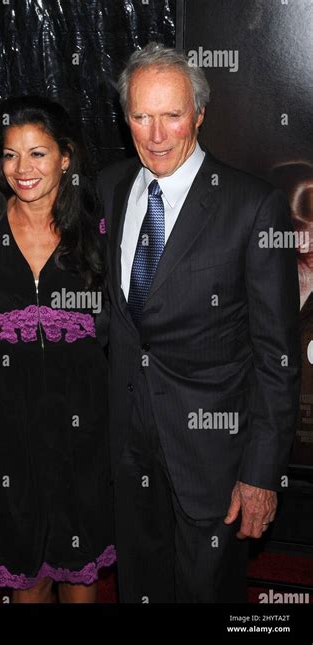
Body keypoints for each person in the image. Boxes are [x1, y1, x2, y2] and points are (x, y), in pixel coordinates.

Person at [97, 43, 300, 602]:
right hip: (129, 448)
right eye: (141, 116)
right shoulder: (110, 189)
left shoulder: (252, 206)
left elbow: (276, 356)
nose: (156, 134)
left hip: (213, 458)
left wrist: (261, 473)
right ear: (125, 117)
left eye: (172, 115)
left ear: (200, 114)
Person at [0, 96, 114, 603]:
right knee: (24, 566)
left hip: (81, 422)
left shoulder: (99, 226)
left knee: (79, 568)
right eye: (10, 155)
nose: (22, 168)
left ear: (65, 157)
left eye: (38, 153)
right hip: (7, 424)